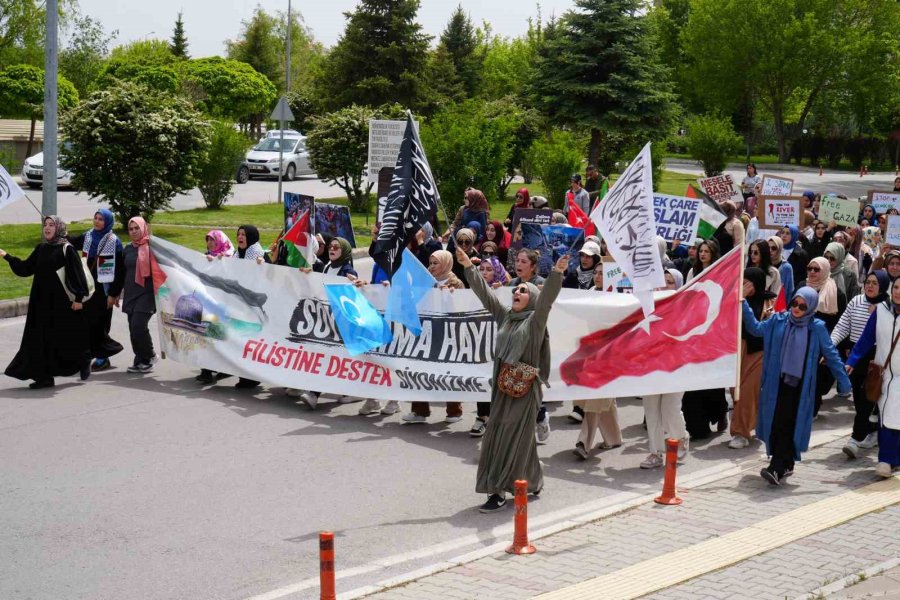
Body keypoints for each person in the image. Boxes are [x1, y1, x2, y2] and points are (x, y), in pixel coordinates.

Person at [458, 246, 567, 512]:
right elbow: (485, 295)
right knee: (509, 436)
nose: (517, 292)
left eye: (523, 290)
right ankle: (534, 480)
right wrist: (468, 267)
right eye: (516, 289)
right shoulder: (506, 316)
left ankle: (498, 490)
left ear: (532, 298)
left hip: (526, 392)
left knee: (511, 438)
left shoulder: (535, 321)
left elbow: (547, 301)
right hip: (502, 387)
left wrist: (556, 273)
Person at [742, 287, 851, 485]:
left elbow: (831, 354)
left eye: (803, 306)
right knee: (777, 422)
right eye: (795, 303)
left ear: (811, 308)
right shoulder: (778, 320)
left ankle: (776, 468)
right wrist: (743, 305)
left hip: (800, 388)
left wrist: (844, 382)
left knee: (786, 423)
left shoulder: (816, 327)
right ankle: (786, 462)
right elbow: (756, 329)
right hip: (777, 383)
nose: (797, 308)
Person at [1, 216, 91, 389]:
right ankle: (44, 377)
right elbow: (26, 268)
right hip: (40, 303)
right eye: (45, 225)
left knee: (65, 339)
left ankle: (83, 360)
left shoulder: (67, 249)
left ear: (59, 228)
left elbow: (77, 275)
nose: (47, 228)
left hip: (61, 304)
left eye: (51, 225)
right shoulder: (41, 248)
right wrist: (7, 256)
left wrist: (79, 299)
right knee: (39, 340)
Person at [846, 277, 900, 478]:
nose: (898, 292)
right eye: (896, 287)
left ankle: (892, 459)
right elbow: (866, 338)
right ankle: (885, 459)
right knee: (885, 415)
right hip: (883, 374)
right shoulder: (881, 311)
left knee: (895, 415)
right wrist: (852, 360)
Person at [403, 250, 464, 425]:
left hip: (447, 334)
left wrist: (449, 295)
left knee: (448, 372)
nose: (431, 267)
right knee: (420, 370)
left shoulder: (455, 283)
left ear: (445, 263)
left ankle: (454, 411)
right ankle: (419, 410)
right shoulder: (426, 282)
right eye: (430, 263)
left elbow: (462, 308)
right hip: (427, 332)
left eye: (436, 263)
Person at [832, 270, 889, 459]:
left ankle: (855, 439)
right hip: (857, 356)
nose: (870, 286)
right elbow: (842, 326)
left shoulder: (887, 307)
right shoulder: (856, 301)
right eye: (868, 282)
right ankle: (871, 430)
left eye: (875, 283)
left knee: (867, 399)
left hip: (877, 357)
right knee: (858, 398)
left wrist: (880, 314)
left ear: (883, 286)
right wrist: (829, 346)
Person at [572, 264, 624, 460]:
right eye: (596, 273)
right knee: (603, 398)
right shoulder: (589, 294)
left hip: (611, 355)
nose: (598, 276)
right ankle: (614, 437)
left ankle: (583, 442)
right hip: (590, 354)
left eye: (603, 273)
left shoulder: (619, 298)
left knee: (595, 398)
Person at [640, 268, 689, 467]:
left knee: (670, 410)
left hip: (675, 368)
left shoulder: (685, 308)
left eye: (670, 282)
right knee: (651, 411)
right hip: (651, 367)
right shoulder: (647, 308)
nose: (664, 286)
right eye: (662, 282)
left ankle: (681, 438)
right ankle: (656, 453)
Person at [66, 208, 125, 372]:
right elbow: (72, 242)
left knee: (101, 324)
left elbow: (119, 272)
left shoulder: (114, 242)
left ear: (108, 222)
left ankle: (103, 357)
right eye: (96, 218)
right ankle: (89, 355)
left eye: (101, 219)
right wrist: (61, 233)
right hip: (88, 287)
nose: (97, 221)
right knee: (86, 323)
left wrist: (113, 294)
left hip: (104, 290)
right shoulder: (88, 236)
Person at [729, 268, 775, 449]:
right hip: (738, 350)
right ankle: (748, 422)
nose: (743, 286)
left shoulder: (768, 301)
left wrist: (743, 300)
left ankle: (740, 433)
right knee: (736, 391)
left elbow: (758, 328)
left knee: (747, 392)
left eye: (747, 282)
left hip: (759, 352)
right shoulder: (733, 298)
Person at [117, 217, 158, 373]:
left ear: (143, 228)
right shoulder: (128, 249)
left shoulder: (153, 247)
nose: (133, 231)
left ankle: (150, 356)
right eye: (131, 229)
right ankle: (140, 360)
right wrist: (115, 294)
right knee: (133, 329)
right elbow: (121, 273)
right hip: (131, 293)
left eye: (137, 228)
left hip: (147, 294)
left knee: (138, 325)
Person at [768, 236, 794, 304]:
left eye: (774, 248)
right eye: (768, 248)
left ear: (779, 249)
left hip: (779, 304)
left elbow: (789, 291)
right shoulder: (763, 264)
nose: (770, 250)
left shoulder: (786, 267)